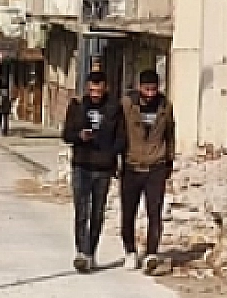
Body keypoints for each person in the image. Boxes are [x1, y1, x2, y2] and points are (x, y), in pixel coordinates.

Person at [61, 71, 122, 273]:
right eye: (92, 90)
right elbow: (66, 134)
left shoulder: (114, 108)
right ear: (87, 88)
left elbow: (120, 138)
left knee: (97, 213)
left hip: (103, 167)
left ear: (105, 88)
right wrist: (79, 135)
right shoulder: (77, 106)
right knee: (81, 211)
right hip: (82, 165)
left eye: (99, 90)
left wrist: (113, 157)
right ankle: (81, 252)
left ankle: (91, 252)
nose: (95, 94)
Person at [119, 68, 176, 274]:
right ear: (139, 87)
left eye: (154, 89)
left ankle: (151, 253)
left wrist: (169, 160)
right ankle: (130, 251)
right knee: (128, 213)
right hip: (131, 166)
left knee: (154, 212)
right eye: (146, 89)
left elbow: (170, 134)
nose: (150, 94)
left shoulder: (165, 106)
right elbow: (119, 131)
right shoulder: (127, 105)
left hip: (155, 167)